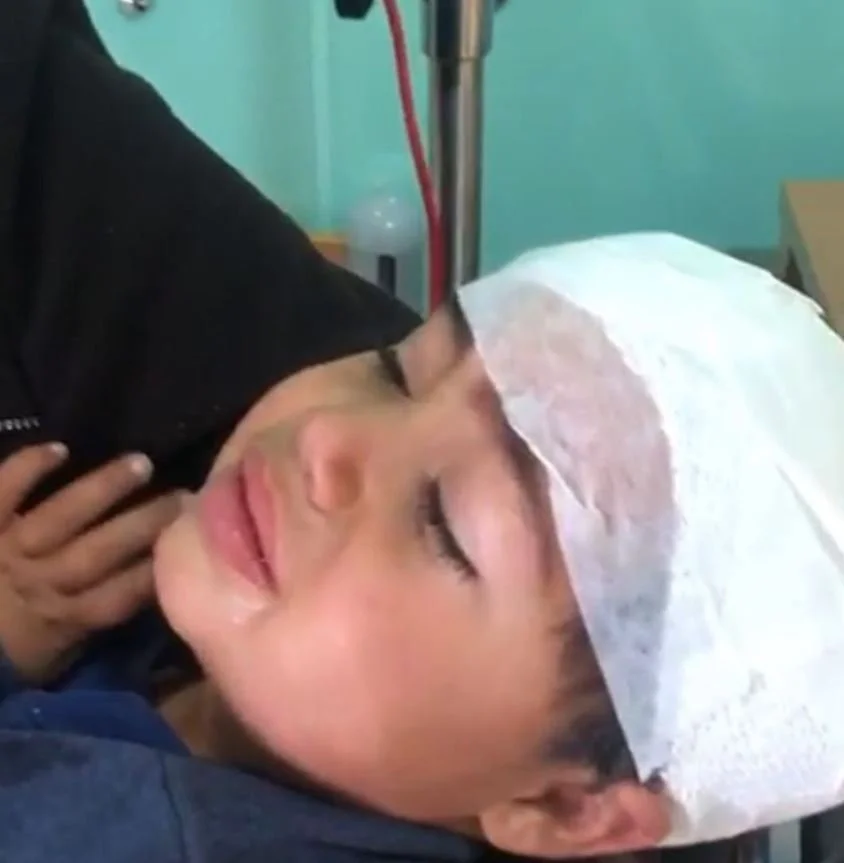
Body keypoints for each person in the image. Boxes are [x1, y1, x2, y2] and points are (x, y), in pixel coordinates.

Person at [0, 2, 665, 863]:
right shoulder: (238, 681)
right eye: (399, 371)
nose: (328, 437)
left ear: (570, 806)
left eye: (445, 525)